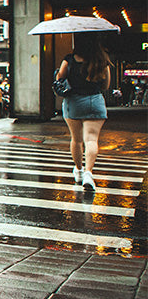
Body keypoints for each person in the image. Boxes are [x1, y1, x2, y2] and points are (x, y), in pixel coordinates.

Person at [56, 33, 111, 191]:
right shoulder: (102, 60)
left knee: (77, 139)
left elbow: (60, 79)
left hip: (74, 102)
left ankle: (79, 171)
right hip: (95, 101)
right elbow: (106, 85)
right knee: (91, 140)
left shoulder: (69, 59)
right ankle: (88, 173)